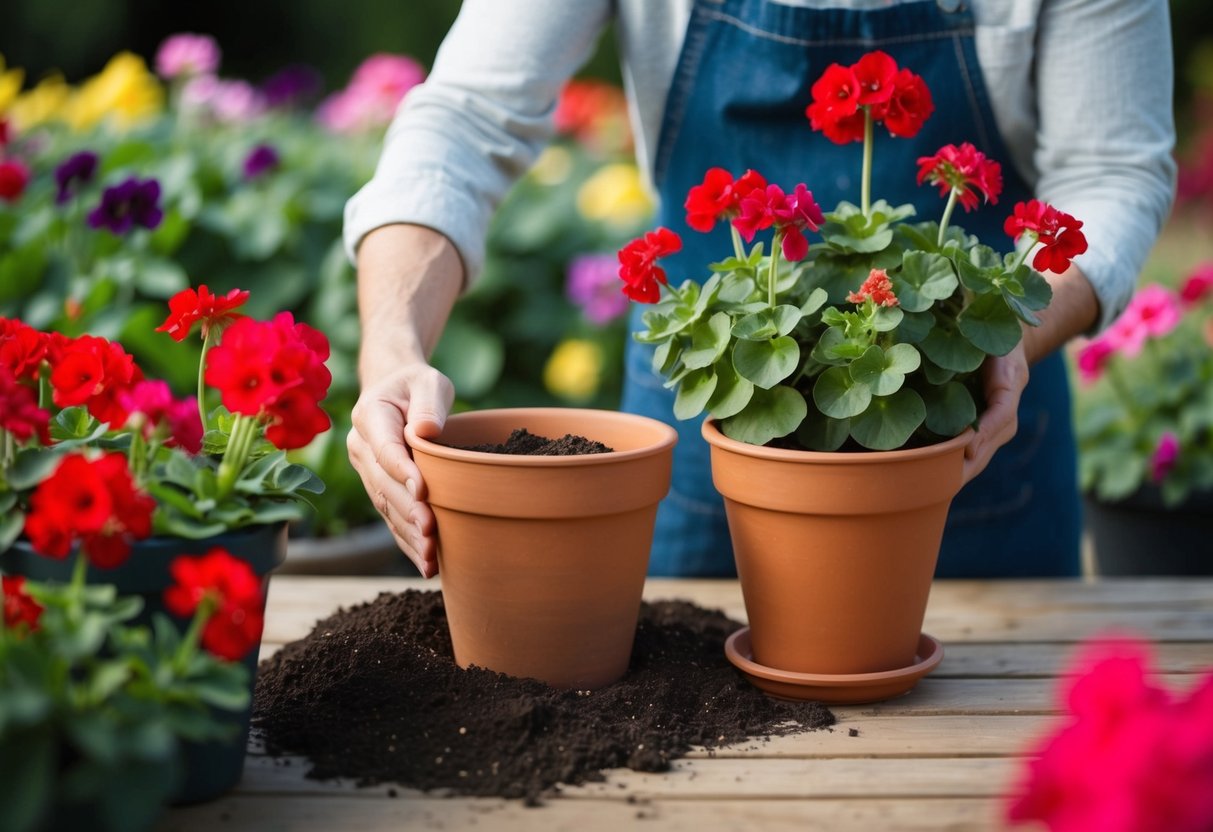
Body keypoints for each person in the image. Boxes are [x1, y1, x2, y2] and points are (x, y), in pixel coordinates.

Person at [344, 0, 1176, 580]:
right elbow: (466, 117)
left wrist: (999, 337)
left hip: (970, 438)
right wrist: (392, 351)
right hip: (708, 426)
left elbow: (1111, 173)